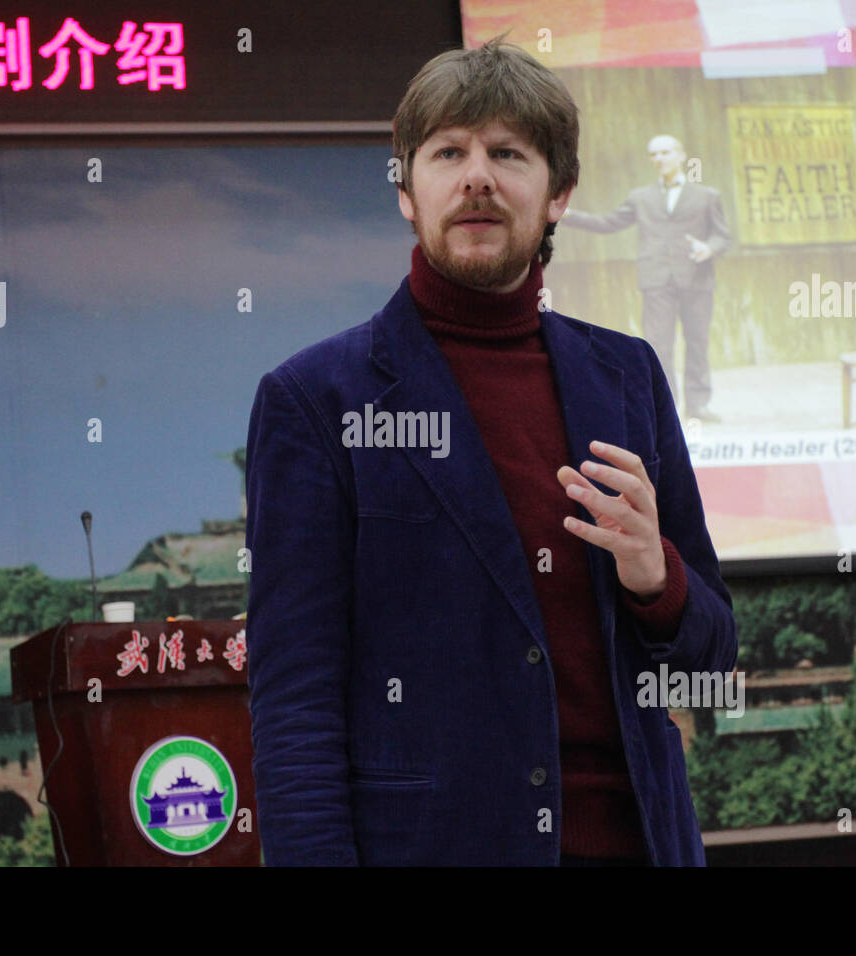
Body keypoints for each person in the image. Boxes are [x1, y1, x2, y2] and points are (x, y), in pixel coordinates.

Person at [243, 36, 736, 866]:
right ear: (406, 189)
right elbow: (295, 705)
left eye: (508, 152)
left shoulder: (628, 375)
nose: (477, 176)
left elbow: (710, 667)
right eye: (447, 152)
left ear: (558, 196)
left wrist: (658, 578)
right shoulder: (315, 399)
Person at [564, 135, 730, 423]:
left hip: (696, 279)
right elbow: (608, 223)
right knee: (658, 346)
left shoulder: (707, 196)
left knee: (697, 342)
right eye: (654, 154)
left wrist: (709, 247)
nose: (659, 159)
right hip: (657, 280)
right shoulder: (640, 197)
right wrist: (567, 214)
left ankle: (698, 406)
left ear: (680, 155)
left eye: (665, 152)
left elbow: (722, 236)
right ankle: (666, 407)